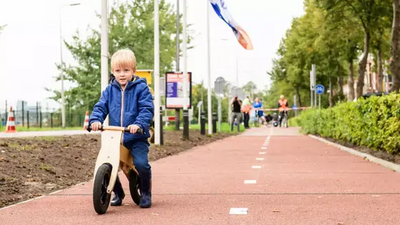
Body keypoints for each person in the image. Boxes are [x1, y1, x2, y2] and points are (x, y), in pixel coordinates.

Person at [89, 49, 154, 208]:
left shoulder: (141, 89)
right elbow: (100, 107)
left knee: (141, 164)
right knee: (106, 161)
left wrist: (138, 124)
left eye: (126, 70)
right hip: (115, 137)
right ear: (113, 72)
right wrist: (96, 120)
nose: (122, 74)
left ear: (134, 71)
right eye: (118, 71)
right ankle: (117, 192)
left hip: (136, 137)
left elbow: (146, 109)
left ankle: (146, 192)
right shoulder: (109, 91)